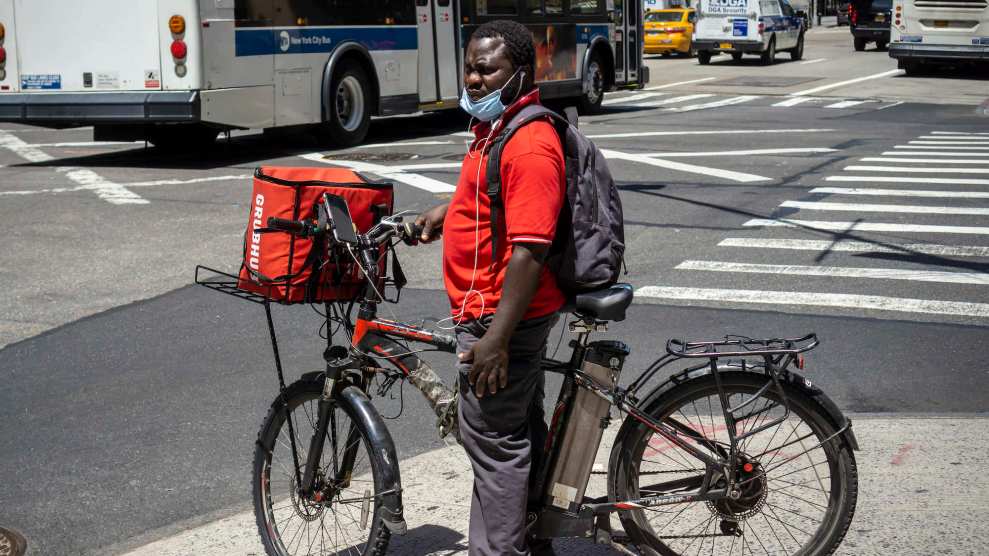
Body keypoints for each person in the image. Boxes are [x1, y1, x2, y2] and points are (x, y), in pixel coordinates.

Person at [415, 19, 566, 556]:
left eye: (487, 69)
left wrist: (497, 339)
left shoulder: (528, 143)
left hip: (501, 317)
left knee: (495, 447)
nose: (474, 79)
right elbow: (491, 202)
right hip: (491, 311)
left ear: (519, 73)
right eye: (470, 68)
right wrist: (445, 213)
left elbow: (530, 249)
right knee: (515, 433)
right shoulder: (496, 128)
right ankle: (533, 539)